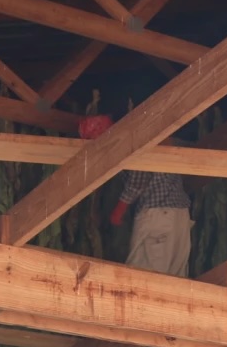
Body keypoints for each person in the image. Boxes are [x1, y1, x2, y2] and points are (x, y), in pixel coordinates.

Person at [80, 114, 192, 277]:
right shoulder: (146, 136)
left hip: (158, 214)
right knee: (175, 275)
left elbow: (139, 177)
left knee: (143, 275)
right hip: (179, 214)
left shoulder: (127, 142)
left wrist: (120, 208)